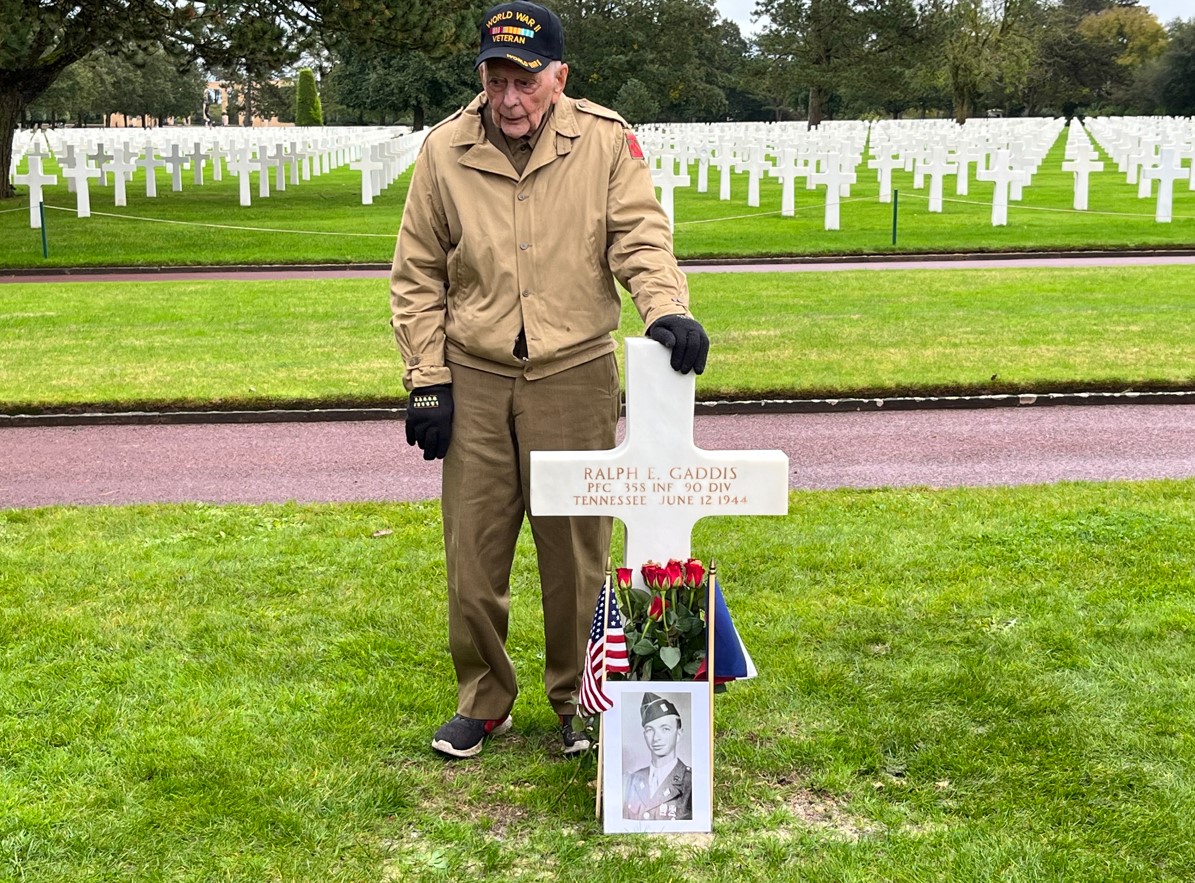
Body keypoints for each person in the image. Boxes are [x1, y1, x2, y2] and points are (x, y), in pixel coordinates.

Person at [390, 0, 709, 760]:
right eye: (495, 79)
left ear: (558, 77)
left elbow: (639, 236)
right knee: (474, 553)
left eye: (524, 81)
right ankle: (484, 699)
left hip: (573, 372)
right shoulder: (445, 150)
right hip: (474, 374)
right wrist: (426, 377)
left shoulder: (603, 141)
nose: (507, 98)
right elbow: (417, 273)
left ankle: (576, 701)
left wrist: (665, 308)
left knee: (575, 555)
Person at [623, 693, 693, 821]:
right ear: (644, 734)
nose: (656, 738)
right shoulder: (633, 779)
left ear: (678, 734)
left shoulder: (690, 781)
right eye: (650, 730)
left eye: (665, 729)